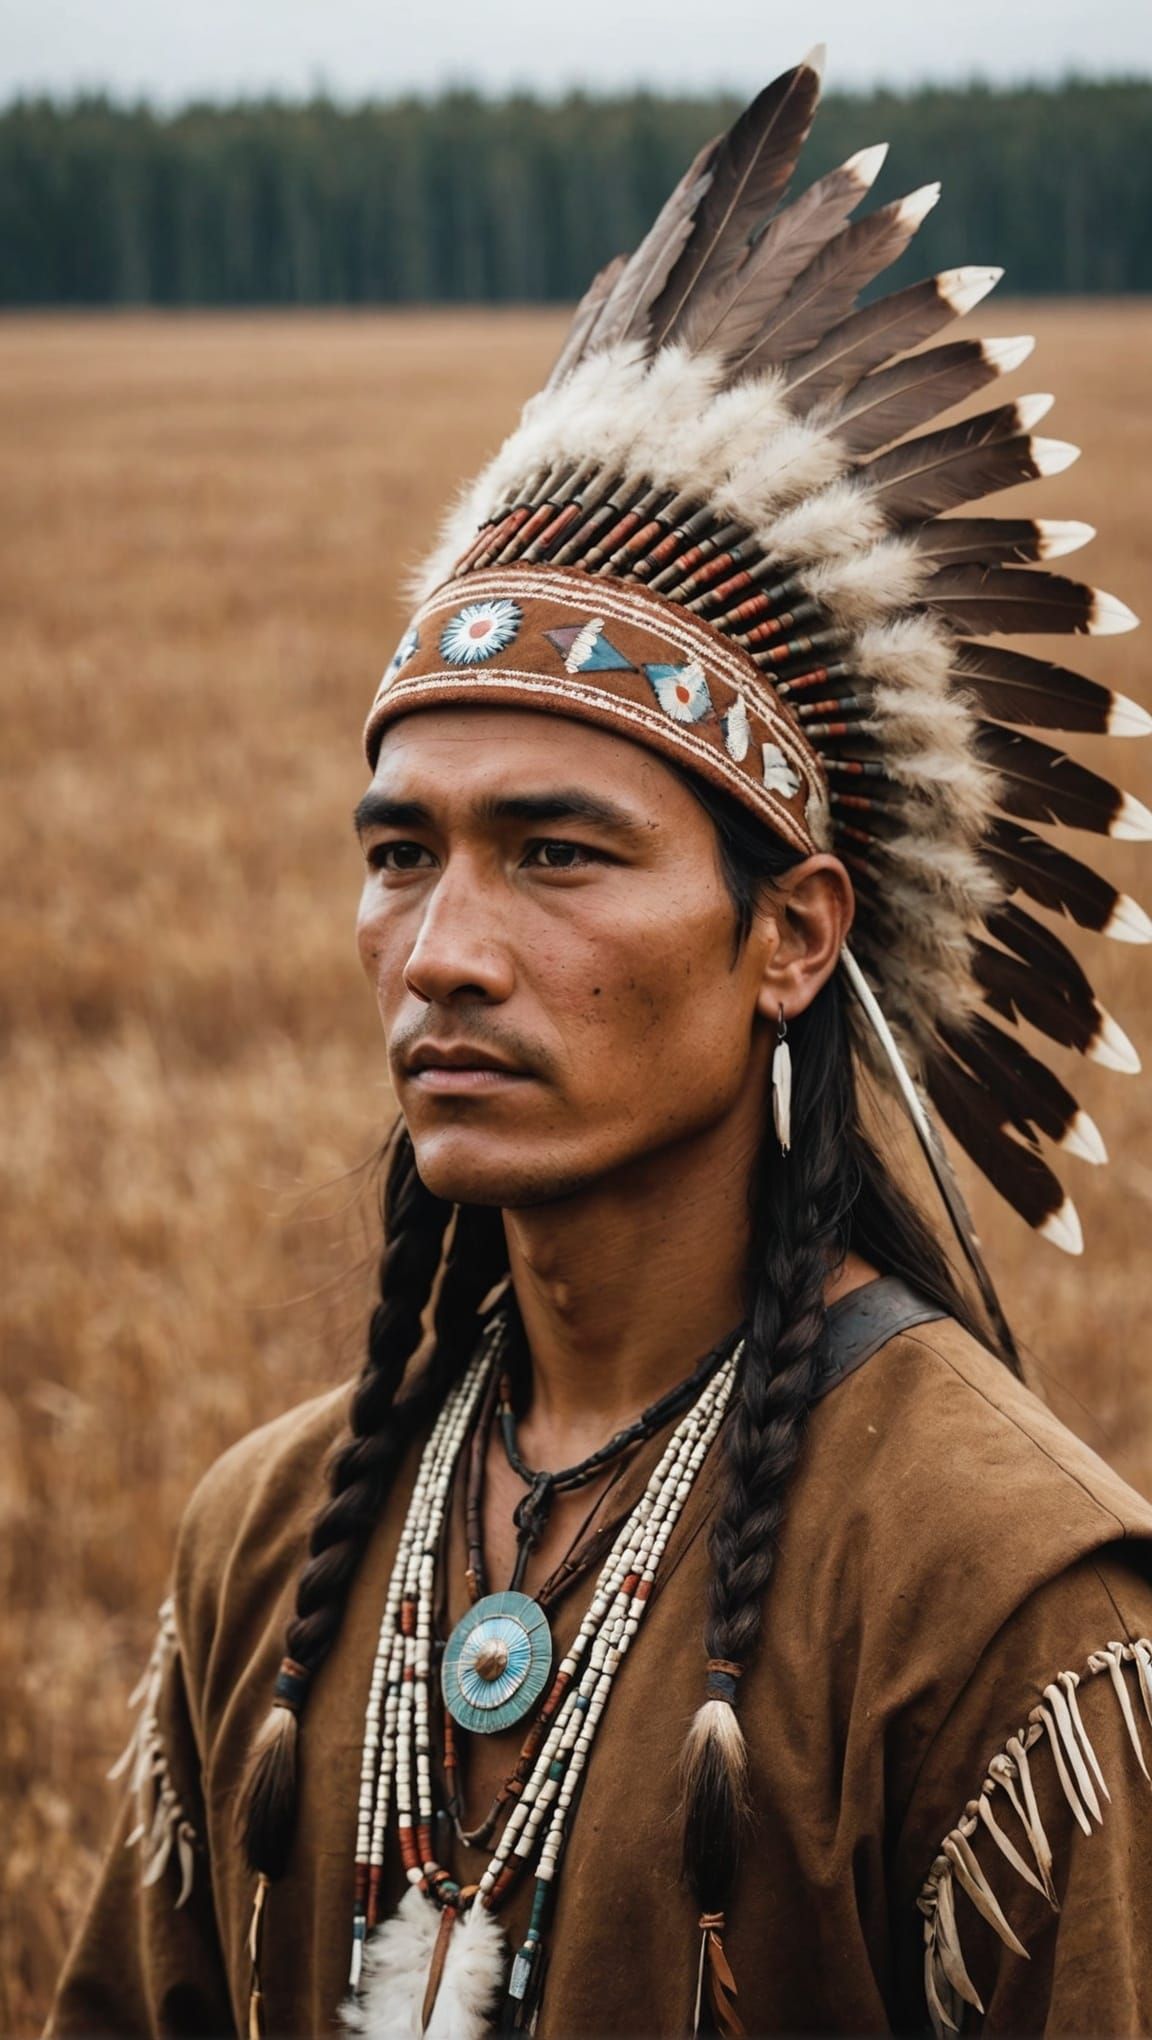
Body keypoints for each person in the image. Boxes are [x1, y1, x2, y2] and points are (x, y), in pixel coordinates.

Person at [48, 46, 1152, 2040]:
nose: (444, 952)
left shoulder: (997, 1601)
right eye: (402, 855)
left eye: (558, 856)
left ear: (792, 938)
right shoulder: (270, 1546)